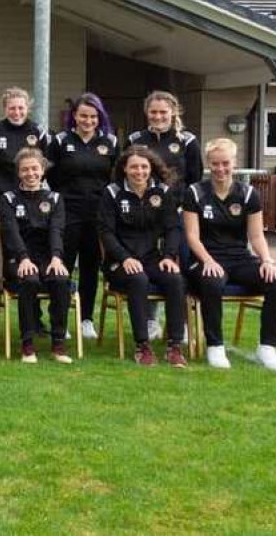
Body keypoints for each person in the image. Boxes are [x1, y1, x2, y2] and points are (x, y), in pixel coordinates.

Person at [183, 138, 276, 371]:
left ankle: (267, 348)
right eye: (215, 164)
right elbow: (191, 236)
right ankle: (215, 347)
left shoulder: (249, 194)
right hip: (204, 259)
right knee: (212, 282)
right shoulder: (195, 193)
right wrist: (208, 260)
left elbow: (257, 236)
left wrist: (267, 261)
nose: (220, 169)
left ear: (234, 163)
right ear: (208, 164)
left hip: (240, 258)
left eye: (225, 163)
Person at [97, 146, 187, 367]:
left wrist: (169, 256)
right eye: (134, 167)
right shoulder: (112, 193)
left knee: (175, 279)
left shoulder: (162, 192)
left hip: (151, 258)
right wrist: (124, 258)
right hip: (119, 261)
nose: (140, 171)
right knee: (138, 279)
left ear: (151, 168)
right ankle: (142, 346)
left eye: (144, 167)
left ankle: (174, 346)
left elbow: (173, 228)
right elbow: (105, 232)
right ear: (125, 169)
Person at [126, 90, 203, 340]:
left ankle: (182, 321)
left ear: (173, 112)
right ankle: (150, 320)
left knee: (179, 265)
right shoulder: (136, 139)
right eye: (153, 112)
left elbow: (195, 178)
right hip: (145, 213)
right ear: (147, 113)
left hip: (177, 214)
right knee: (148, 263)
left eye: (163, 112)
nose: (158, 116)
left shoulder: (187, 140)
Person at [47, 93, 118, 340]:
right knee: (63, 265)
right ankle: (60, 319)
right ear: (74, 116)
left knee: (90, 266)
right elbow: (51, 176)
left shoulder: (110, 142)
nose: (88, 120)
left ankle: (86, 318)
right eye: (83, 115)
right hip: (67, 212)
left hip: (97, 214)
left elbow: (114, 178)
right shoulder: (59, 141)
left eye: (92, 116)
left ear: (99, 118)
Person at [0, 88, 51, 338]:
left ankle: (37, 320)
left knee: (32, 258)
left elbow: (46, 168)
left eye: (21, 107)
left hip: (33, 206)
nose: (17, 112)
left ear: (27, 108)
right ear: (5, 108)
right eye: (12, 107)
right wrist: (0, 190)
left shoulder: (38, 133)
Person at [0, 148, 72, 364]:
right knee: (29, 281)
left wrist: (57, 258)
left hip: (48, 256)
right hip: (19, 258)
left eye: (34, 169)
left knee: (60, 280)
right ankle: (27, 343)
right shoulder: (8, 199)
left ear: (43, 171)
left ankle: (58, 343)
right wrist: (23, 258)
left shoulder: (55, 198)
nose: (30, 174)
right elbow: (10, 232)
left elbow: (57, 230)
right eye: (25, 170)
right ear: (18, 173)